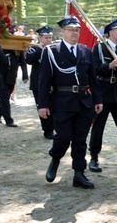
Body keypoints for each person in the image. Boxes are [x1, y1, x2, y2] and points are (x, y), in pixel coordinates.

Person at [38, 16, 103, 189]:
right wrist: (42, 105)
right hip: (62, 101)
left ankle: (79, 174)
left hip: (83, 102)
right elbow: (43, 80)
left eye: (77, 30)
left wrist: (97, 99)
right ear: (63, 31)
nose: (75, 33)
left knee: (80, 139)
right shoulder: (52, 51)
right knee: (64, 136)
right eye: (71, 30)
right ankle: (55, 159)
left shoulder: (85, 50)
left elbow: (92, 78)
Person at [88, 19, 117, 173]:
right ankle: (94, 157)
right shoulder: (99, 48)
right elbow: (93, 70)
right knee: (98, 127)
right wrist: (109, 66)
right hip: (103, 91)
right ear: (110, 32)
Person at [25, 26, 55, 139]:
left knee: (54, 105)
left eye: (50, 37)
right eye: (46, 37)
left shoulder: (54, 49)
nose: (48, 40)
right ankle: (47, 130)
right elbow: (28, 60)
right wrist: (40, 50)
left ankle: (53, 126)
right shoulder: (34, 49)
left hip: (52, 83)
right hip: (38, 83)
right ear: (40, 37)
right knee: (42, 106)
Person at [0, 46, 25, 127]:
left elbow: (22, 62)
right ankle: (9, 120)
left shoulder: (17, 50)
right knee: (5, 98)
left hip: (11, 78)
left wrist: (25, 75)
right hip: (0, 78)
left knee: (5, 98)